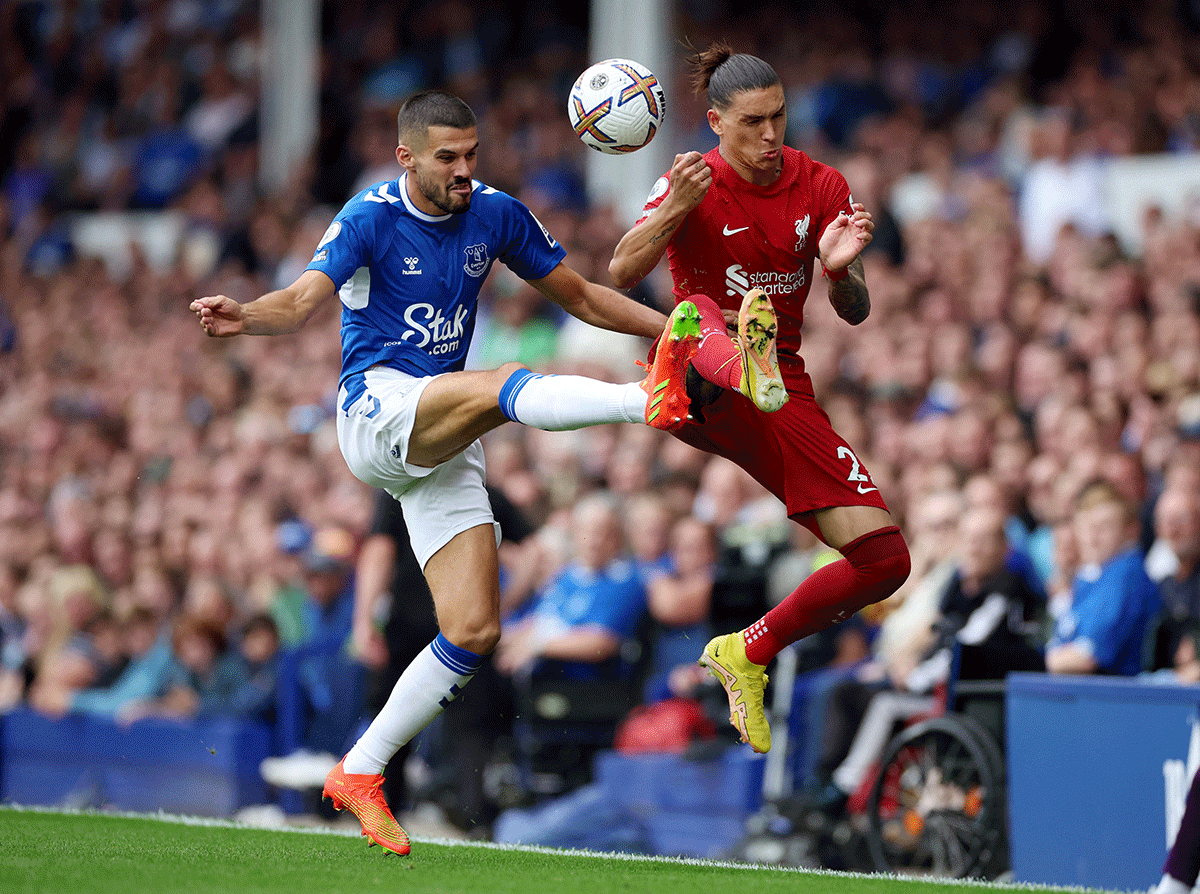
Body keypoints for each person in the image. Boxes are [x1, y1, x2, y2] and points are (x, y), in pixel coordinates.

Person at [189, 89, 701, 855]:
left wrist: (678, 330)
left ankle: (359, 771)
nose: (465, 170)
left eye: (472, 154)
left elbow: (586, 297)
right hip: (377, 410)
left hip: (440, 432)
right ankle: (643, 402)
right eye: (448, 159)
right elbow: (298, 304)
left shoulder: (495, 212)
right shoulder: (368, 217)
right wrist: (245, 316)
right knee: (505, 384)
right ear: (407, 158)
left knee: (474, 629)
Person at [608, 44, 911, 754]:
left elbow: (857, 310)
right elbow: (622, 268)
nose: (771, 135)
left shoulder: (822, 185)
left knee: (884, 561)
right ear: (715, 122)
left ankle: (746, 652)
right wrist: (673, 209)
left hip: (779, 390)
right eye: (752, 122)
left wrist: (840, 275)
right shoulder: (692, 179)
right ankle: (724, 357)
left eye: (778, 117)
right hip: (705, 378)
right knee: (699, 314)